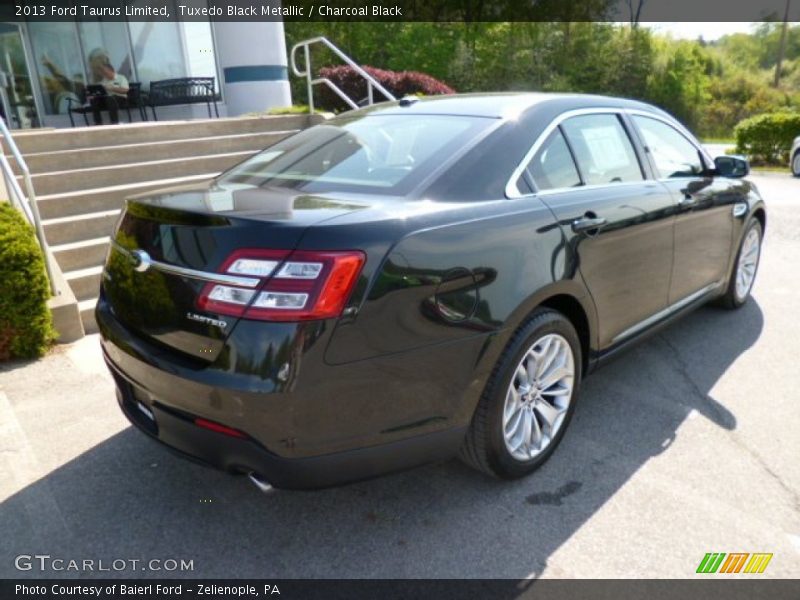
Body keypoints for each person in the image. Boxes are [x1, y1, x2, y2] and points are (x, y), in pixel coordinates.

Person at [87, 48, 128, 125]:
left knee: (111, 99)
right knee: (94, 101)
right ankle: (98, 123)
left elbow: (125, 90)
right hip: (105, 99)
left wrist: (112, 88)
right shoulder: (101, 80)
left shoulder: (120, 78)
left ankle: (114, 122)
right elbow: (98, 92)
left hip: (120, 98)